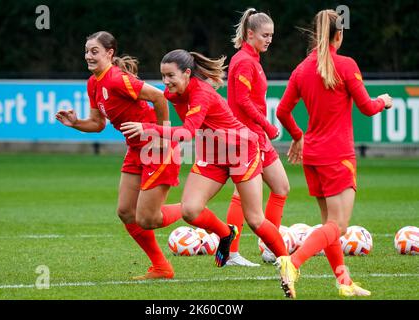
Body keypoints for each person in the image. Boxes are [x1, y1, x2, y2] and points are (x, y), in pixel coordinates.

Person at [120, 49, 288, 269]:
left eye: (171, 76)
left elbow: (188, 132)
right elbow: (153, 101)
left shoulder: (201, 93)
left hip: (241, 151)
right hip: (212, 154)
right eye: (163, 76)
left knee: (255, 220)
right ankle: (226, 234)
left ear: (187, 73)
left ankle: (288, 262)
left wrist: (148, 128)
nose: (166, 82)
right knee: (190, 210)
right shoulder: (172, 94)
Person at [275, 10, 393, 298]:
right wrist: (383, 101)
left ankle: (344, 282)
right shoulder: (345, 64)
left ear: (317, 35)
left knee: (330, 225)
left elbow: (282, 111)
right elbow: (366, 107)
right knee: (337, 226)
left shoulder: (301, 69)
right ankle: (294, 262)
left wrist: (298, 137)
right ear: (338, 36)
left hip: (313, 157)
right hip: (338, 156)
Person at [55, 31, 183, 280]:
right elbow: (97, 123)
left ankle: (191, 208)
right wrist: (75, 123)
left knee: (147, 218)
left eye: (95, 51)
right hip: (136, 149)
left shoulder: (117, 79)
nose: (88, 56)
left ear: (109, 54)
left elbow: (159, 96)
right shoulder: (93, 83)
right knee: (125, 211)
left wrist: (162, 134)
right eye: (86, 51)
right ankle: (161, 267)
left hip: (156, 147)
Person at [225, 8, 290, 267]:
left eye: (272, 35)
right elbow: (241, 100)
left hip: (256, 136)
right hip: (245, 136)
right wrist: (267, 125)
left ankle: (269, 248)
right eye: (265, 35)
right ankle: (229, 254)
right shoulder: (243, 61)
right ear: (250, 34)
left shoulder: (252, 60)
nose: (269, 40)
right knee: (241, 195)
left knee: (281, 187)